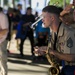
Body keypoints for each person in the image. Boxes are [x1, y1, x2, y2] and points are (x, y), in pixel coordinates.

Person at [34, 5, 75, 74]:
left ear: (52, 18)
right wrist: (44, 52)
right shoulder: (53, 32)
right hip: (65, 67)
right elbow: (56, 54)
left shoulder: (69, 33)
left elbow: (71, 58)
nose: (42, 20)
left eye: (44, 17)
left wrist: (50, 51)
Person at [0, 7, 9, 75]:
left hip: (2, 40)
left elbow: (5, 30)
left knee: (2, 58)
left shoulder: (2, 16)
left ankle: (4, 73)